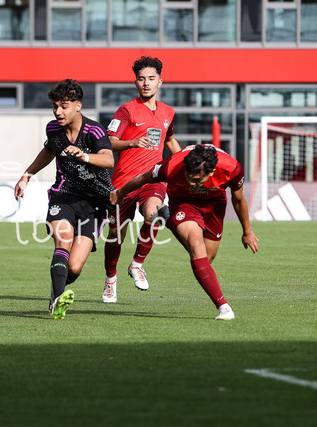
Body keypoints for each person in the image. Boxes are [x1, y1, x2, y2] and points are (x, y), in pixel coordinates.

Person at [110, 144, 259, 320]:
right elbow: (143, 178)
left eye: (198, 180)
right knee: (196, 247)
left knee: (206, 259)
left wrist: (247, 231)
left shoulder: (231, 169)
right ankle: (224, 307)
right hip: (183, 202)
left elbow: (239, 200)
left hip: (214, 205)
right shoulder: (171, 166)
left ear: (212, 172)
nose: (192, 183)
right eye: (189, 177)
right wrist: (120, 193)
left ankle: (166, 216)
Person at [15, 79, 115, 319]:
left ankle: (57, 287)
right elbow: (48, 151)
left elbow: (108, 159)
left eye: (64, 106)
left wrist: (84, 156)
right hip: (64, 195)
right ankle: (58, 300)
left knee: (74, 267)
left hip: (95, 203)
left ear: (78, 106)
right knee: (63, 241)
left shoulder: (94, 131)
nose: (58, 111)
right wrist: (27, 175)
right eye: (55, 106)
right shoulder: (53, 129)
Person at [103, 56, 181, 303]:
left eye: (151, 78)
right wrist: (132, 142)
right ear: (135, 82)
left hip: (153, 179)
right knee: (115, 234)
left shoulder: (168, 112)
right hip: (123, 183)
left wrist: (183, 163)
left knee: (153, 214)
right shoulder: (126, 110)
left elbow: (169, 140)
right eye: (141, 79)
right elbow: (110, 142)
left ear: (160, 81)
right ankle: (110, 280)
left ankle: (137, 263)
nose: (146, 83)